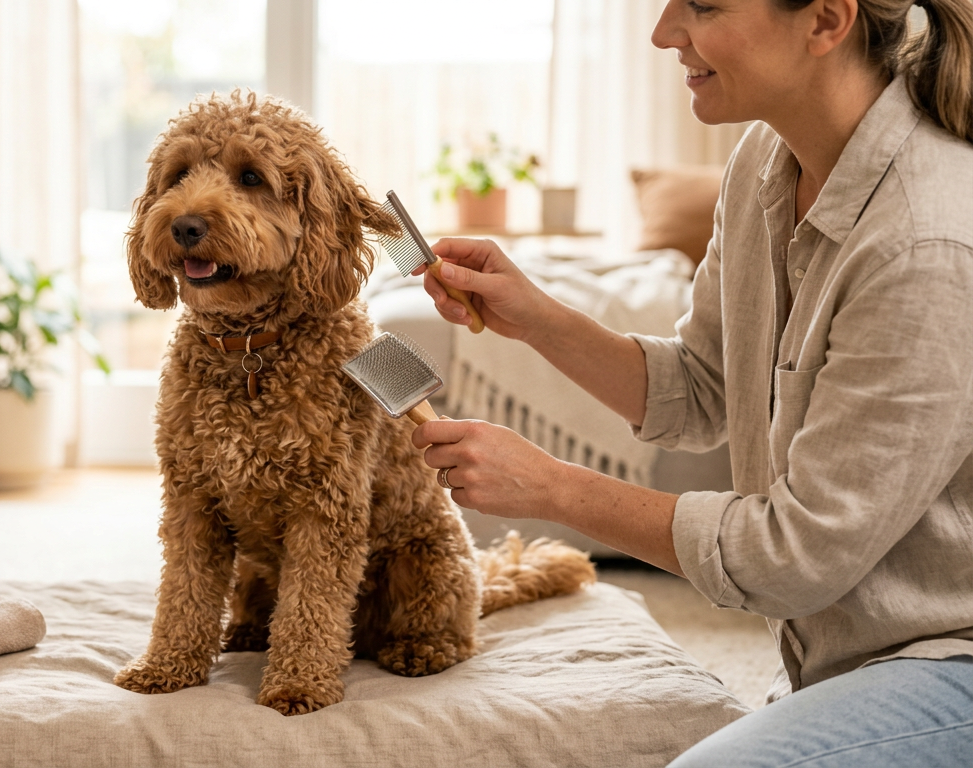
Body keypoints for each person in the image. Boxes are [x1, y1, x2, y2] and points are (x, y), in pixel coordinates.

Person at [411, 0, 973, 765]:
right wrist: (535, 315)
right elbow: (703, 389)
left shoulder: (926, 241)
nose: (664, 32)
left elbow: (792, 557)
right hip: (848, 658)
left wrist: (550, 487)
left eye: (703, 5)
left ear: (825, 22)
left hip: (950, 659)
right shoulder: (762, 165)